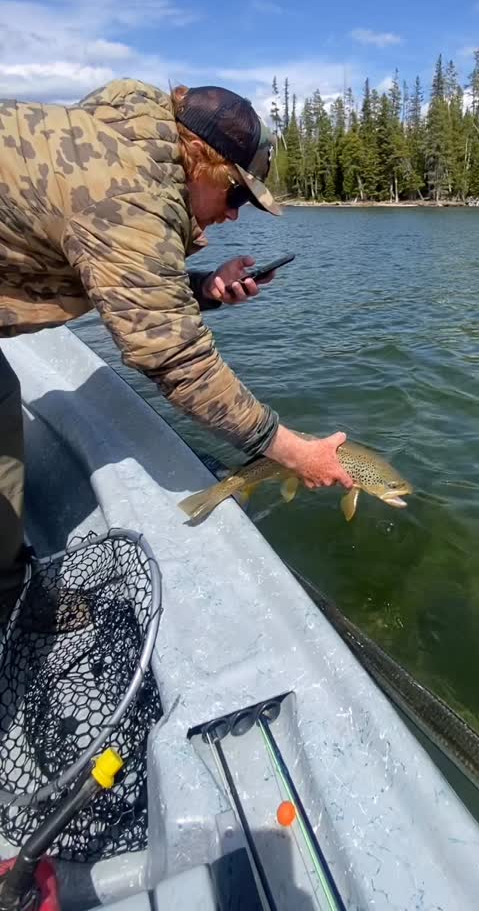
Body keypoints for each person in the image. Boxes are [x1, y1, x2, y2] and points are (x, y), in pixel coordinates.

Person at [0, 79, 352, 627]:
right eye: (236, 195)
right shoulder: (128, 193)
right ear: (202, 162)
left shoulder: (126, 144)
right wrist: (290, 451)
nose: (235, 215)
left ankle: (9, 590)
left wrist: (205, 285)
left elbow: (124, 283)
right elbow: (174, 357)